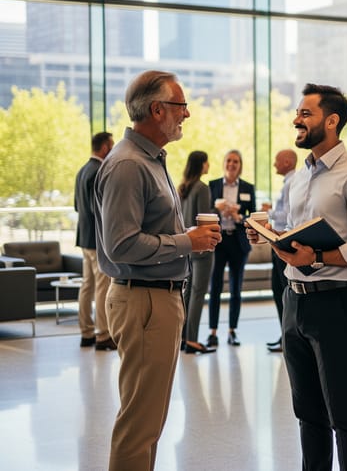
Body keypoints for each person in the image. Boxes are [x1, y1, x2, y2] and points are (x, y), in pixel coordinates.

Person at [249, 83, 347, 470]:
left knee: (343, 413)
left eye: (305, 113)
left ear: (331, 121)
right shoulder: (298, 177)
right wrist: (269, 234)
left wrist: (320, 256)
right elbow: (296, 234)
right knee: (307, 414)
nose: (296, 119)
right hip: (294, 301)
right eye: (298, 112)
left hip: (337, 303)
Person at [94, 70, 221, 471]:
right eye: (181, 106)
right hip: (143, 300)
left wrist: (187, 238)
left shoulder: (149, 160)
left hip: (156, 297)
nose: (187, 114)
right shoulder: (128, 165)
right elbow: (121, 244)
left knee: (150, 423)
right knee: (139, 425)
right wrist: (187, 242)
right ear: (157, 110)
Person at [207, 150, 256, 347]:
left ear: (240, 165)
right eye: (229, 160)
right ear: (224, 163)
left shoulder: (247, 188)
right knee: (215, 287)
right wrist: (217, 211)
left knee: (236, 289)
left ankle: (232, 331)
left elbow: (253, 216)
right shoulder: (213, 185)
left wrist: (239, 217)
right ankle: (212, 332)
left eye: (236, 161)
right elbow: (205, 212)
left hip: (238, 242)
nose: (232, 164)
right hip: (218, 242)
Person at [74, 131, 115, 350]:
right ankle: (103, 334)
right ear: (105, 147)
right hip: (97, 240)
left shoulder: (82, 171)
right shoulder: (99, 171)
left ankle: (86, 333)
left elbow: (77, 206)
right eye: (112, 145)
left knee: (87, 285)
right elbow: (97, 209)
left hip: (83, 237)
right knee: (102, 286)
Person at [178, 150, 216, 355]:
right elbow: (205, 219)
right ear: (201, 164)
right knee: (198, 293)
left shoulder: (184, 188)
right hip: (202, 250)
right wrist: (218, 211)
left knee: (188, 293)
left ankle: (183, 337)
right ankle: (192, 340)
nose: (208, 165)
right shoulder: (202, 188)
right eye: (207, 162)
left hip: (187, 247)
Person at [264, 148, 297, 353]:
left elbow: (286, 215)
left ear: (287, 162)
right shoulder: (289, 182)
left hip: (284, 241)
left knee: (284, 291)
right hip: (279, 241)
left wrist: (268, 211)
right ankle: (285, 335)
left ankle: (289, 337)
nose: (274, 164)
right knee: (279, 289)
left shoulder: (292, 183)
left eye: (277, 160)